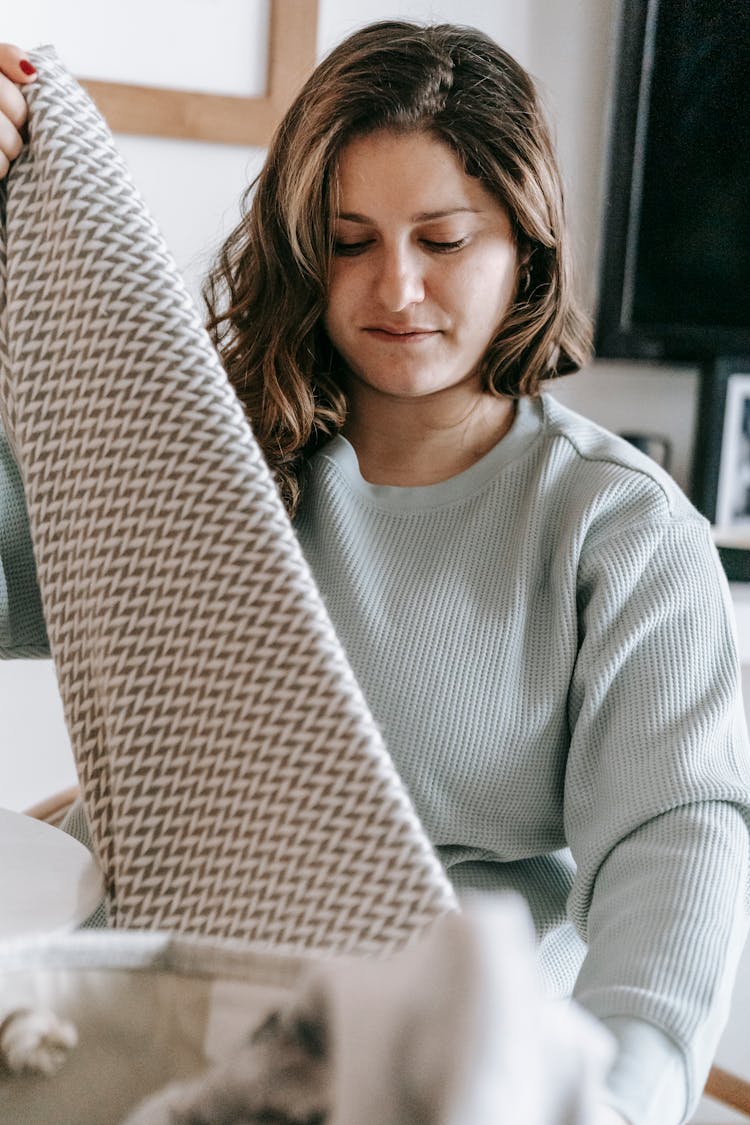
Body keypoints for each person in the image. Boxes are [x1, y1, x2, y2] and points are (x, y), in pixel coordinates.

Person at [1, 22, 749, 1125]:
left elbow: (672, 846)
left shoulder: (617, 533)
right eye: (351, 241)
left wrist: (621, 1098)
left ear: (527, 248)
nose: (395, 287)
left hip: (408, 1068)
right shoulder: (212, 463)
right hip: (134, 1016)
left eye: (443, 241)